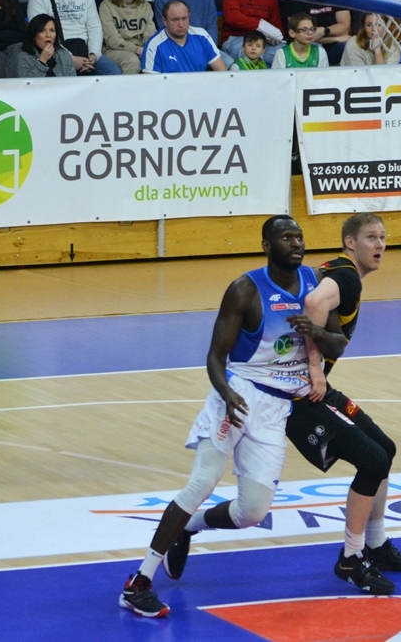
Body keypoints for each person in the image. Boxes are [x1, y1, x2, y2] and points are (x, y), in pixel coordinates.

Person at [119, 216, 348, 618]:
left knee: (253, 512)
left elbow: (338, 344)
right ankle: (138, 582)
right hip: (239, 394)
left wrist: (315, 331)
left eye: (299, 236)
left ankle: (189, 528)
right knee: (202, 482)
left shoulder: (315, 284)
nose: (297, 243)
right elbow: (214, 356)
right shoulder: (245, 289)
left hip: (277, 407)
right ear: (267, 246)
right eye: (286, 237)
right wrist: (225, 394)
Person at [282, 214, 401, 594]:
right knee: (373, 460)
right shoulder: (347, 277)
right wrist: (314, 368)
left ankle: (375, 546)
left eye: (383, 237)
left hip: (311, 388)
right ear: (350, 242)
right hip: (296, 395)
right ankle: (351, 556)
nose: (380, 245)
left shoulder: (337, 270)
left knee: (384, 449)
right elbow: (314, 302)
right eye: (371, 237)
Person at [27, 0, 123, 75]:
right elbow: (41, 34)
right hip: (55, 51)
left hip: (85, 49)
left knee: (114, 72)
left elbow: (94, 28)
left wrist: (94, 55)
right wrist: (69, 58)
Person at [141, 0, 227, 72]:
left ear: (189, 16)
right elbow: (151, 83)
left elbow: (222, 72)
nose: (181, 24)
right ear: (164, 21)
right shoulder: (154, 45)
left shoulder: (202, 36)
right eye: (175, 20)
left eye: (184, 18)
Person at [98, 0, 156, 74]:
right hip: (113, 49)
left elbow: (150, 36)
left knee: (158, 57)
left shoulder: (146, 6)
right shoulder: (106, 5)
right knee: (132, 61)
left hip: (141, 48)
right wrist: (135, 49)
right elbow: (112, 40)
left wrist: (148, 50)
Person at [280, 0, 351, 65]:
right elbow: (300, 36)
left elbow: (345, 27)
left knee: (350, 45)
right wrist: (336, 39)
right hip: (306, 46)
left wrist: (324, 31)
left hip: (333, 47)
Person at [221, 0, 285, 67]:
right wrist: (259, 26)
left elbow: (276, 25)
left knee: (285, 54)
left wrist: (275, 37)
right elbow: (232, 16)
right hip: (237, 38)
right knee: (252, 55)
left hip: (265, 40)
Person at [6, 14, 76, 78]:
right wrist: (42, 61)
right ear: (33, 35)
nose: (48, 35)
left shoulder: (63, 54)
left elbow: (73, 83)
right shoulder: (22, 57)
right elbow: (26, 85)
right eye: (42, 31)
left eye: (52, 30)